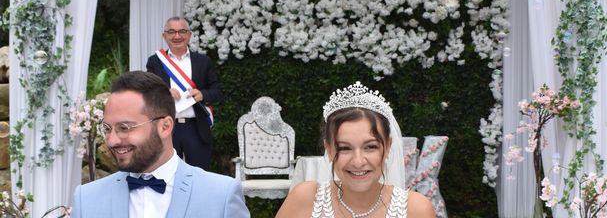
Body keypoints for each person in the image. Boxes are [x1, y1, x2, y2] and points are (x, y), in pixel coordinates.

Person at [72, 71, 249, 218]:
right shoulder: (86, 199)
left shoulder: (221, 196)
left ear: (165, 127)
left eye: (124, 128)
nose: (111, 140)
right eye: (107, 128)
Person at [276, 81, 436, 218]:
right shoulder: (305, 199)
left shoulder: (416, 210)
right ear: (329, 150)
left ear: (387, 147)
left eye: (370, 147)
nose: (358, 161)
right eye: (345, 148)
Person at [146, 16, 223, 170]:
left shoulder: (203, 61)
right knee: (166, 174)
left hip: (196, 128)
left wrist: (203, 94)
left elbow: (217, 92)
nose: (177, 36)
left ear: (189, 35)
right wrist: (164, 92)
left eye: (182, 31)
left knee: (199, 177)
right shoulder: (155, 62)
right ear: (164, 36)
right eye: (171, 32)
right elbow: (148, 93)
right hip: (167, 128)